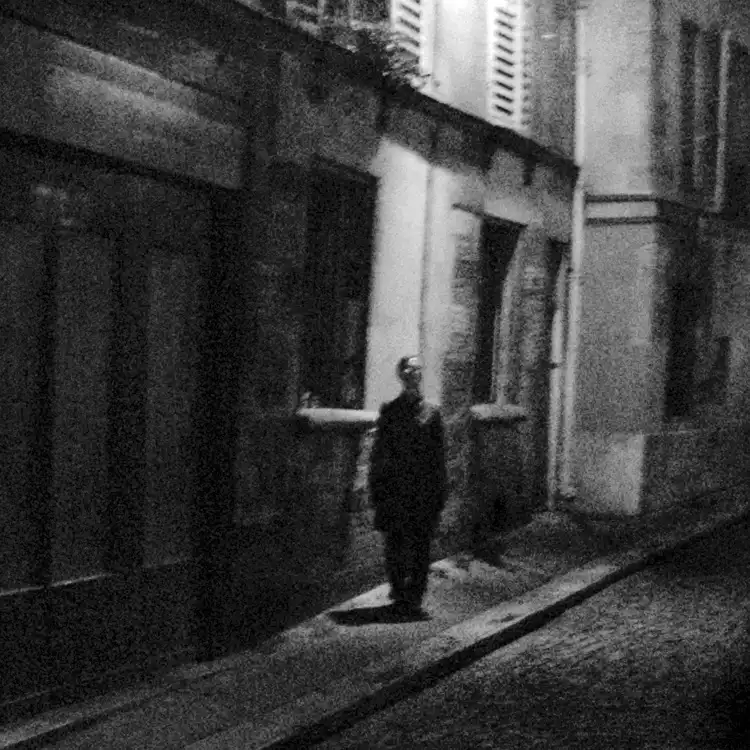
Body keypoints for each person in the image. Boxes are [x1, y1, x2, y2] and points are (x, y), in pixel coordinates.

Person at [369, 355, 447, 613]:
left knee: (420, 544)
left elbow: (438, 456)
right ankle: (399, 591)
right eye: (408, 368)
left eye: (417, 368)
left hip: (422, 490)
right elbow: (380, 453)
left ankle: (414, 596)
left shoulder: (431, 412)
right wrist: (377, 489)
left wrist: (439, 493)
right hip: (396, 489)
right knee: (396, 543)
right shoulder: (390, 411)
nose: (413, 373)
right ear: (401, 374)